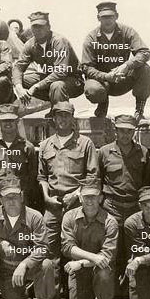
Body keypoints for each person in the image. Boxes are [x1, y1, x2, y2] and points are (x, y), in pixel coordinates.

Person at [37, 101, 99, 259]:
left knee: (78, 251)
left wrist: (76, 195)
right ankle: (54, 285)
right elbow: (42, 177)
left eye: (66, 115)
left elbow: (93, 176)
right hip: (53, 206)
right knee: (49, 253)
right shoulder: (45, 145)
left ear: (73, 118)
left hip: (78, 205)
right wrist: (46, 197)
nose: (62, 119)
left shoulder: (85, 143)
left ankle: (75, 284)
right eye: (59, 115)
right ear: (54, 119)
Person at [98, 114, 150, 287]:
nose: (126, 135)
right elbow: (98, 180)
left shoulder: (142, 152)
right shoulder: (104, 152)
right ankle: (107, 298)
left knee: (135, 251)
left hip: (135, 209)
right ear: (115, 131)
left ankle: (135, 294)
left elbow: (147, 182)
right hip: (111, 209)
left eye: (129, 131)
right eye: (122, 131)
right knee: (110, 252)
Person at [60, 183, 119, 299]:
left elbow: (107, 256)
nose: (90, 201)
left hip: (98, 268)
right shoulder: (69, 216)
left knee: (104, 270)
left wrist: (81, 262)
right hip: (80, 270)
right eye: (86, 197)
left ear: (100, 198)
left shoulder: (110, 221)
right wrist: (91, 257)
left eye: (93, 197)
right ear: (80, 198)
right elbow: (67, 247)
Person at [80, 1, 150, 119]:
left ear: (116, 16)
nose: (107, 20)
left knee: (145, 69)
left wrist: (127, 65)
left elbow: (144, 52)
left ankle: (139, 111)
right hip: (102, 82)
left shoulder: (128, 32)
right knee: (93, 90)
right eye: (104, 17)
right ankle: (102, 105)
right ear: (98, 18)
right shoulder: (91, 38)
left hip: (122, 79)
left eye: (110, 16)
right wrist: (106, 76)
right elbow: (86, 67)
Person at [11, 11, 84, 107]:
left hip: (72, 81)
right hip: (49, 78)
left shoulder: (59, 41)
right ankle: (54, 105)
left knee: (57, 85)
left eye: (41, 26)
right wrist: (19, 87)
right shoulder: (30, 44)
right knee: (21, 80)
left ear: (48, 27)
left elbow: (60, 72)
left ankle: (62, 112)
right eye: (34, 27)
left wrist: (36, 86)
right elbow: (18, 67)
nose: (38, 29)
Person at [0, 103, 38, 211]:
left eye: (11, 120)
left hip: (19, 198)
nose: (8, 123)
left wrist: (24, 192)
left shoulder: (28, 147)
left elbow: (32, 174)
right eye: (4, 120)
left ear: (17, 121)